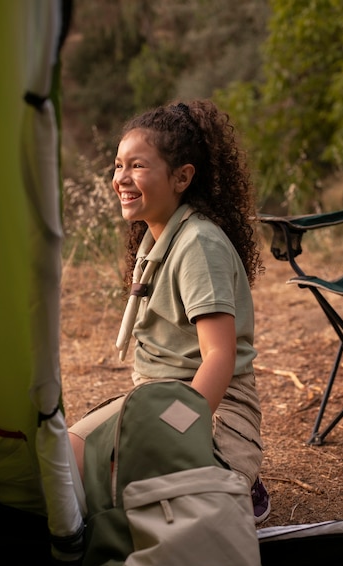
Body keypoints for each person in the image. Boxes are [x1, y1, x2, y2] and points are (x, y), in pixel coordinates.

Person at [69, 99, 270, 523]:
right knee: (63, 464)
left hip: (211, 405)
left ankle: (235, 479)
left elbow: (219, 356)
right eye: (118, 165)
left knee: (138, 497)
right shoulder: (155, 239)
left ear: (181, 177)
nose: (121, 178)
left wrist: (173, 431)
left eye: (137, 166)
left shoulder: (199, 244)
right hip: (152, 398)